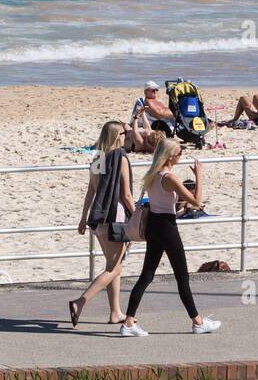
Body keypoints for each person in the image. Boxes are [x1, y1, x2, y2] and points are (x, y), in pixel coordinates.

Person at [120, 138, 220, 336]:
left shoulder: (153, 174)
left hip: (154, 226)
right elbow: (197, 202)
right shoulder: (169, 178)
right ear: (170, 156)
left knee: (147, 275)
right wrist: (199, 176)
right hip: (167, 227)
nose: (181, 156)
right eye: (179, 153)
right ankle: (198, 322)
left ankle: (129, 323)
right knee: (182, 277)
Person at [69, 120, 136, 326]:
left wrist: (83, 217)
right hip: (114, 216)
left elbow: (91, 190)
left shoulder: (97, 157)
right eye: (125, 133)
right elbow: (125, 194)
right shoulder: (120, 159)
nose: (127, 136)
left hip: (97, 218)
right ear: (118, 136)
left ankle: (115, 312)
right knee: (114, 269)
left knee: (113, 265)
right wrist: (137, 216)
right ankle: (80, 302)